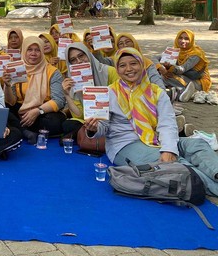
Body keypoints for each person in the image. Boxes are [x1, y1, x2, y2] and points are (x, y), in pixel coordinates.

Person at [83, 47, 218, 196]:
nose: (128, 69)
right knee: (178, 164)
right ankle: (212, 187)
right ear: (117, 69)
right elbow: (104, 126)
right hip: (126, 144)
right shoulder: (109, 92)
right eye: (122, 65)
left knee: (197, 144)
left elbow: (168, 124)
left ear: (142, 65)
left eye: (133, 63)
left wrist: (168, 149)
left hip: (155, 139)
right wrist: (94, 128)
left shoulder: (156, 92)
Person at [11, 36, 66, 142]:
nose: (33, 53)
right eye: (30, 49)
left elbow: (59, 101)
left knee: (55, 122)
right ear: (23, 51)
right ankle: (26, 131)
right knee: (5, 111)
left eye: (37, 50)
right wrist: (8, 85)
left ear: (42, 52)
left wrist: (38, 111)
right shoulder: (17, 70)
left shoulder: (53, 72)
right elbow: (12, 101)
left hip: (43, 113)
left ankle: (19, 129)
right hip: (21, 111)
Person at [61, 43, 119, 138]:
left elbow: (121, 101)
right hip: (90, 122)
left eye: (81, 56)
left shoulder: (109, 72)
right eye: (73, 60)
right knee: (68, 125)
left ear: (88, 54)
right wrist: (67, 95)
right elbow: (79, 116)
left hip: (113, 118)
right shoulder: (73, 81)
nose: (79, 61)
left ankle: (84, 136)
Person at [158, 29, 211, 102]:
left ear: (191, 40)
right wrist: (160, 68)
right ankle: (183, 92)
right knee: (161, 76)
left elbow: (182, 69)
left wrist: (169, 67)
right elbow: (155, 58)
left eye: (186, 39)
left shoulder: (196, 54)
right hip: (184, 78)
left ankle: (187, 92)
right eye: (180, 38)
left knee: (166, 77)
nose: (182, 41)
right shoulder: (175, 50)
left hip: (197, 82)